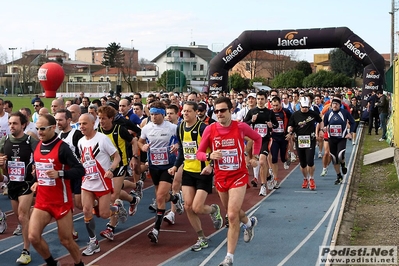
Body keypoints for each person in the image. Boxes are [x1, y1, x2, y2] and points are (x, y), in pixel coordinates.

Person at [197, 96, 262, 266]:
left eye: (223, 110)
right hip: (221, 177)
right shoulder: (210, 130)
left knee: (231, 215)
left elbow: (257, 138)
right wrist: (209, 156)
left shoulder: (240, 127)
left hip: (238, 175)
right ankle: (249, 223)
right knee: (233, 210)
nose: (219, 114)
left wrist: (254, 156)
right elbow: (199, 153)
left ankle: (229, 258)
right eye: (216, 111)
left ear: (231, 110)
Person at [28, 114, 85, 266]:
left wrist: (60, 173)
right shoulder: (36, 145)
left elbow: (80, 170)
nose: (39, 132)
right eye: (37, 128)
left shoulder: (63, 148)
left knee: (66, 240)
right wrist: (37, 181)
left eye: (42, 128)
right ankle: (52, 263)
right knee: (33, 237)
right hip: (42, 201)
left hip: (61, 201)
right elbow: (41, 169)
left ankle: (79, 264)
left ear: (53, 128)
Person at [169, 101, 223, 251]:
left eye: (188, 111)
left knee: (197, 207)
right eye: (183, 111)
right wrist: (175, 166)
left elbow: (215, 149)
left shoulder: (203, 128)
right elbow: (182, 151)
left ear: (195, 112)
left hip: (202, 172)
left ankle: (213, 210)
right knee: (188, 206)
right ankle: (201, 237)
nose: (185, 113)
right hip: (188, 171)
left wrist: (210, 165)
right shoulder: (180, 128)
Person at [77, 113, 124, 256]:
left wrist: (111, 169)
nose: (82, 127)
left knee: (103, 214)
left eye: (84, 123)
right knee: (86, 210)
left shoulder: (103, 139)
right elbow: (83, 159)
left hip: (102, 182)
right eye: (80, 124)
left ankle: (115, 208)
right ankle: (93, 242)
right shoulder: (80, 142)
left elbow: (117, 156)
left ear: (93, 124)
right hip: (87, 182)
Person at [138, 101, 182, 243]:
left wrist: (176, 145)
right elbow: (140, 141)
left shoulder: (173, 127)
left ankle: (156, 229)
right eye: (151, 114)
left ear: (162, 114)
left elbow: (182, 141)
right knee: (160, 197)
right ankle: (175, 198)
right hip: (154, 165)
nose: (153, 117)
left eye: (156, 114)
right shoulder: (147, 128)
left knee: (160, 197)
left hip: (168, 166)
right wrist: (143, 146)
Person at [96, 105, 142, 241]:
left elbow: (133, 141)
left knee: (113, 196)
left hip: (120, 164)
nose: (101, 121)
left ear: (111, 118)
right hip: (106, 167)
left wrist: (134, 157)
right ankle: (133, 199)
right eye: (99, 119)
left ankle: (110, 228)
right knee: (114, 191)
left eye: (104, 118)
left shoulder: (119, 130)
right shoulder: (98, 131)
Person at [0, 112, 38, 264]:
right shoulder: (4, 141)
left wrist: (36, 168)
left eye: (15, 123)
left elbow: (40, 157)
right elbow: (4, 170)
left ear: (23, 125)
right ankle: (35, 214)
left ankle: (26, 250)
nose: (11, 126)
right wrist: (1, 163)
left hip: (27, 183)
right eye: (10, 124)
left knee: (22, 216)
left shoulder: (30, 141)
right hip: (12, 184)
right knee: (21, 218)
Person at [55, 109, 84, 241]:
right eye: (56, 120)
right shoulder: (59, 136)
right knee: (67, 204)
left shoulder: (76, 134)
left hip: (77, 173)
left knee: (79, 204)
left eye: (60, 120)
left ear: (68, 120)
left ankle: (106, 207)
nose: (58, 122)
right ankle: (72, 231)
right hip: (65, 174)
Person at [243, 91, 278, 195]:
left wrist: (272, 125)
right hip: (255, 140)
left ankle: (263, 186)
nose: (260, 101)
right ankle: (268, 177)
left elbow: (276, 124)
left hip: (266, 139)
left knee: (262, 161)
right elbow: (244, 124)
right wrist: (251, 121)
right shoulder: (252, 111)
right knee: (259, 163)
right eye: (258, 99)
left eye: (262, 99)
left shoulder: (269, 112)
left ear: (266, 100)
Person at [286, 97, 321, 190]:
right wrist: (290, 131)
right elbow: (291, 125)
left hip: (310, 139)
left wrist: (320, 130)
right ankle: (305, 178)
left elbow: (320, 121)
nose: (305, 109)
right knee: (303, 163)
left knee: (310, 161)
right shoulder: (295, 115)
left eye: (307, 107)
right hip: (299, 140)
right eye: (303, 107)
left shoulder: (313, 114)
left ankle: (312, 178)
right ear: (300, 105)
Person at [323, 97, 355, 185]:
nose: (334, 105)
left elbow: (353, 122)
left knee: (340, 155)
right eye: (333, 104)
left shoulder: (344, 113)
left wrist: (350, 133)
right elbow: (325, 124)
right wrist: (324, 129)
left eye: (336, 104)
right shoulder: (328, 113)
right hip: (331, 138)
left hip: (342, 138)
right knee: (334, 158)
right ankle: (338, 175)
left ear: (339, 105)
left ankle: (343, 164)